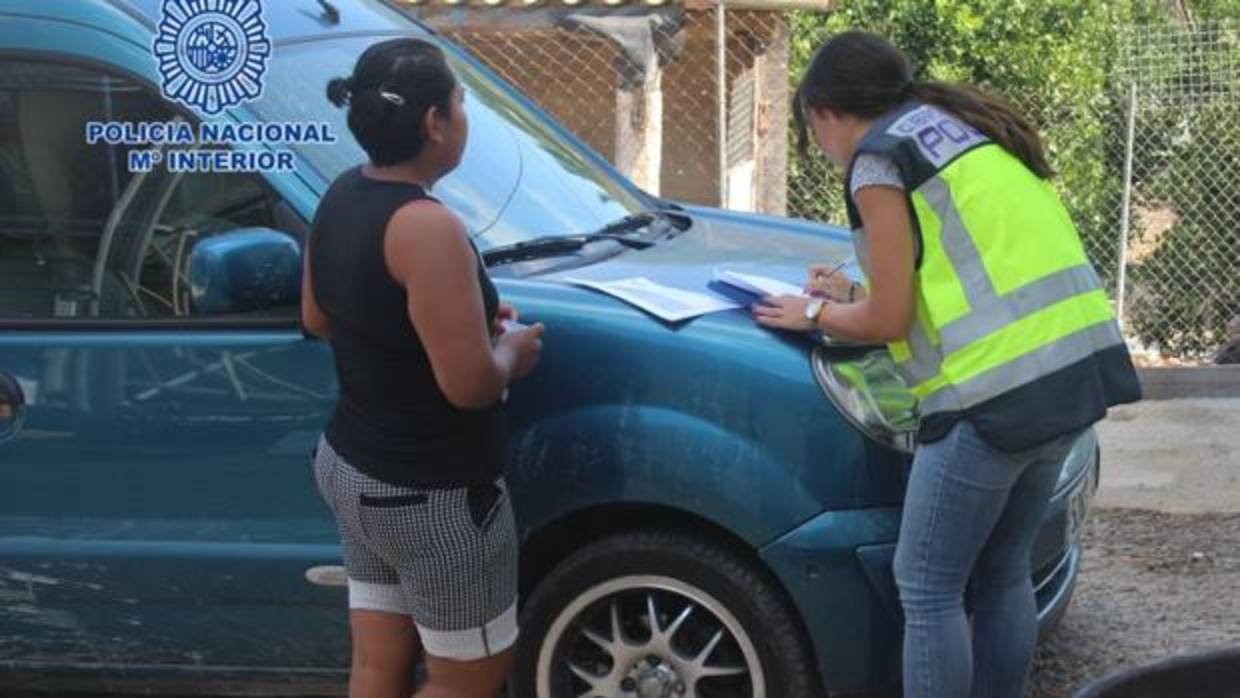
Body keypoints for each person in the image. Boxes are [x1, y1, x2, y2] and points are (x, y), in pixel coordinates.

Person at [754, 31, 1140, 698]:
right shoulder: (956, 132)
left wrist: (811, 315)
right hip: (1068, 377)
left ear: (821, 113)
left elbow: (888, 322)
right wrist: (851, 294)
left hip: (992, 400)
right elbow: (955, 278)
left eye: (813, 132)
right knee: (1005, 569)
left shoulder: (876, 160)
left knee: (927, 586)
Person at [301, 38, 545, 698]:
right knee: (467, 678)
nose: (464, 117)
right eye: (461, 103)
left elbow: (322, 316)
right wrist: (509, 354)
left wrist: (461, 324)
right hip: (431, 495)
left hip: (352, 469)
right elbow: (468, 387)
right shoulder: (426, 226)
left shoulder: (342, 195)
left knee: (378, 665)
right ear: (435, 122)